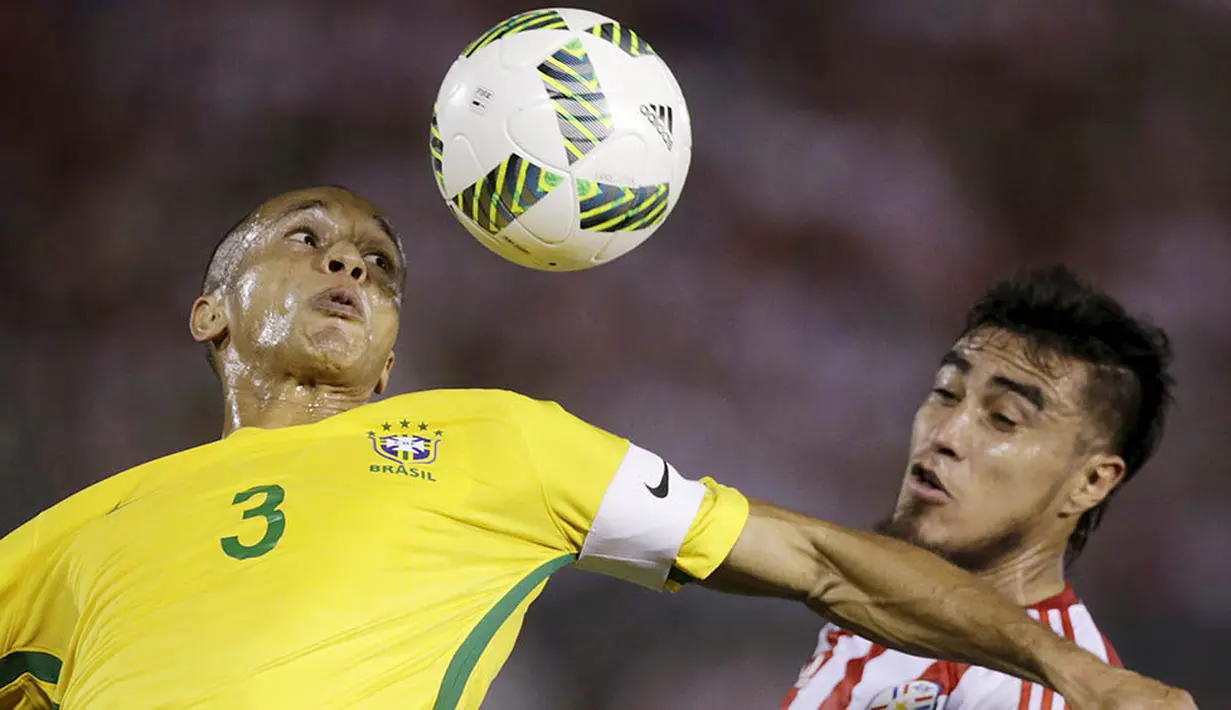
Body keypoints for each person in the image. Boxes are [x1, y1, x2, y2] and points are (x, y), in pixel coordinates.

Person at [0, 187, 1195, 710]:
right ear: (209, 310)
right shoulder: (66, 534)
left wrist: (1075, 670)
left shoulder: (486, 441)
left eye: (377, 262)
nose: (348, 263)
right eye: (306, 238)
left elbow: (816, 556)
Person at [780, 266, 1177, 709]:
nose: (945, 434)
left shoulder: (1042, 695)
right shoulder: (877, 607)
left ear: (1090, 482)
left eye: (1004, 418)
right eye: (945, 393)